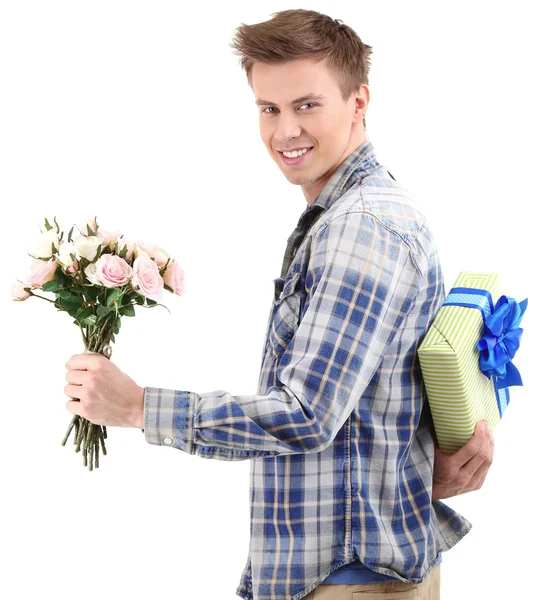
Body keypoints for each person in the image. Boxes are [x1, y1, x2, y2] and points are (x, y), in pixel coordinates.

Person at [63, 9, 494, 600]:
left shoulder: (361, 228)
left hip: (349, 582)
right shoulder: (358, 214)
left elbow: (307, 415)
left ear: (359, 100)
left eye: (307, 105)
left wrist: (140, 407)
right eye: (269, 109)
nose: (285, 130)